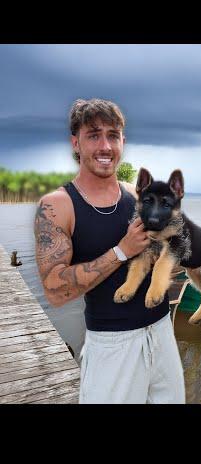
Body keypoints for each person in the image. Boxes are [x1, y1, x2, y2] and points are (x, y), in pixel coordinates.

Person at [34, 98, 185, 404]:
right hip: (112, 345)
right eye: (94, 135)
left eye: (113, 136)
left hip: (161, 331)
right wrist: (121, 251)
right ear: (76, 143)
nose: (105, 146)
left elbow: (167, 253)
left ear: (122, 142)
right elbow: (54, 290)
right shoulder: (57, 206)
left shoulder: (136, 196)